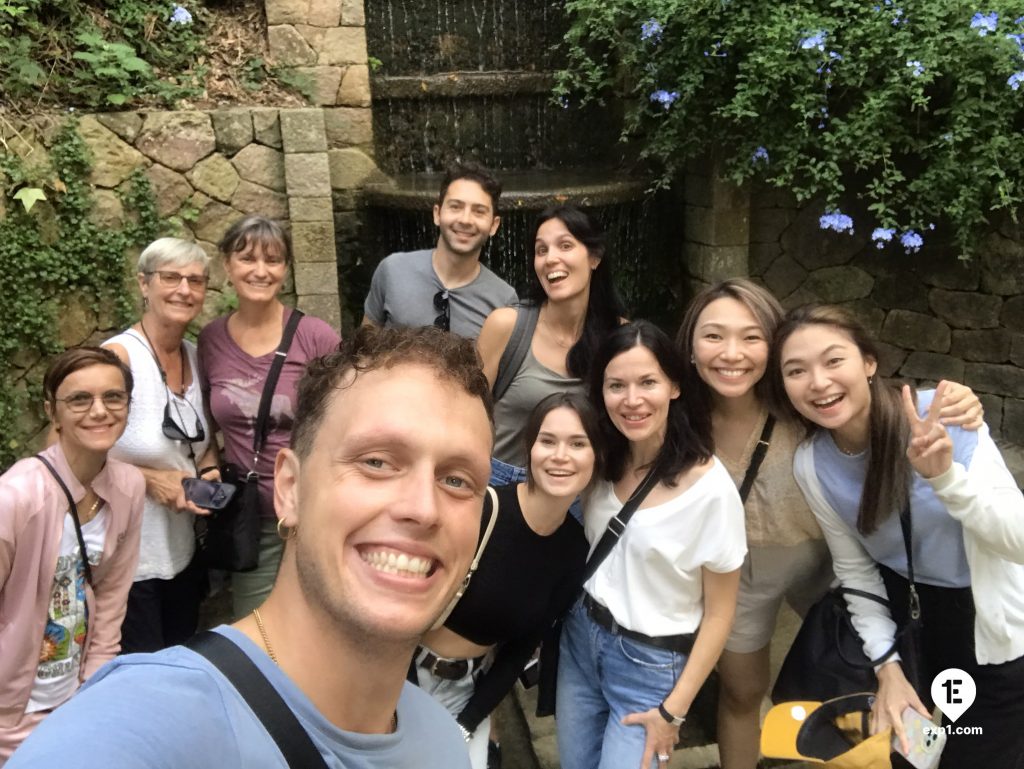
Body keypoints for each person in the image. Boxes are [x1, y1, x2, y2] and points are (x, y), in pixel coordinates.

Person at [8, 326, 496, 769]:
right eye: (376, 462)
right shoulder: (145, 724)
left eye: (457, 479)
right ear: (289, 487)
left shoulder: (443, 743)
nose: (423, 508)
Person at [675, 280, 985, 769]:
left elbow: (877, 411)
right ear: (690, 345)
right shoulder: (678, 418)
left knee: (871, 674)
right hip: (740, 574)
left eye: (751, 337)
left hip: (827, 562)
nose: (731, 353)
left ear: (775, 349)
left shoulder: (807, 407)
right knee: (741, 693)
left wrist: (957, 403)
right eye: (713, 336)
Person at [773, 304, 1024, 769]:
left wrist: (947, 479)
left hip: (989, 637)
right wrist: (888, 668)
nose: (819, 382)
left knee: (979, 755)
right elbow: (855, 571)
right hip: (911, 639)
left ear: (868, 362)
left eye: (833, 361)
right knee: (915, 761)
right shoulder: (813, 462)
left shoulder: (941, 416)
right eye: (796, 370)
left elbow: (1018, 543)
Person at [557, 321, 746, 769]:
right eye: (616, 385)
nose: (632, 400)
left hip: (650, 665)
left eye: (648, 382)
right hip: (581, 639)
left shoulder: (710, 491)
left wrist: (673, 711)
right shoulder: (601, 457)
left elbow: (720, 614)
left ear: (675, 386)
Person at [413, 391, 601, 768]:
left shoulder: (573, 552)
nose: (561, 456)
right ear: (530, 449)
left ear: (597, 457)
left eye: (578, 444)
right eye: (547, 441)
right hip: (401, 675)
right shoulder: (482, 509)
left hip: (466, 692)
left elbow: (520, 650)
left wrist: (468, 722)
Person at [0, 347, 144, 762]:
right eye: (80, 399)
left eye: (113, 397)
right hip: (11, 711)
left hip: (76, 699)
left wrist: (95, 690)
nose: (99, 410)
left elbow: (113, 597)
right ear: (52, 411)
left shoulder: (129, 487)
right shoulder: (17, 497)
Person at [198, 216, 340, 619]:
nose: (260, 271)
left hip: (312, 512)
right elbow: (206, 420)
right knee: (255, 624)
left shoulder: (314, 337)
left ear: (285, 269)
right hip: (250, 519)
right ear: (227, 265)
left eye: (273, 260)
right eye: (247, 258)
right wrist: (209, 465)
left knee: (320, 620)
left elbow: (350, 415)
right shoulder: (211, 340)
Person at [103, 237, 218, 653]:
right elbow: (67, 457)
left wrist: (209, 471)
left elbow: (201, 443)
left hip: (182, 554)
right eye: (170, 277)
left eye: (195, 280)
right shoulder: (118, 359)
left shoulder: (196, 356)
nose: (184, 289)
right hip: (127, 563)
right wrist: (151, 481)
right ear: (144, 284)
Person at [477, 204, 624, 486]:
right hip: (505, 483)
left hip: (584, 487)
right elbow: (467, 414)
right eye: (541, 250)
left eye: (565, 246)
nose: (551, 259)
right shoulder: (506, 326)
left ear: (594, 257)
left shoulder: (619, 336)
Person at [363, 161, 517, 338]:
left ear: (494, 225)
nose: (465, 220)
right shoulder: (392, 270)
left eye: (479, 211)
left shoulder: (504, 301)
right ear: (437, 213)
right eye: (455, 207)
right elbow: (363, 350)